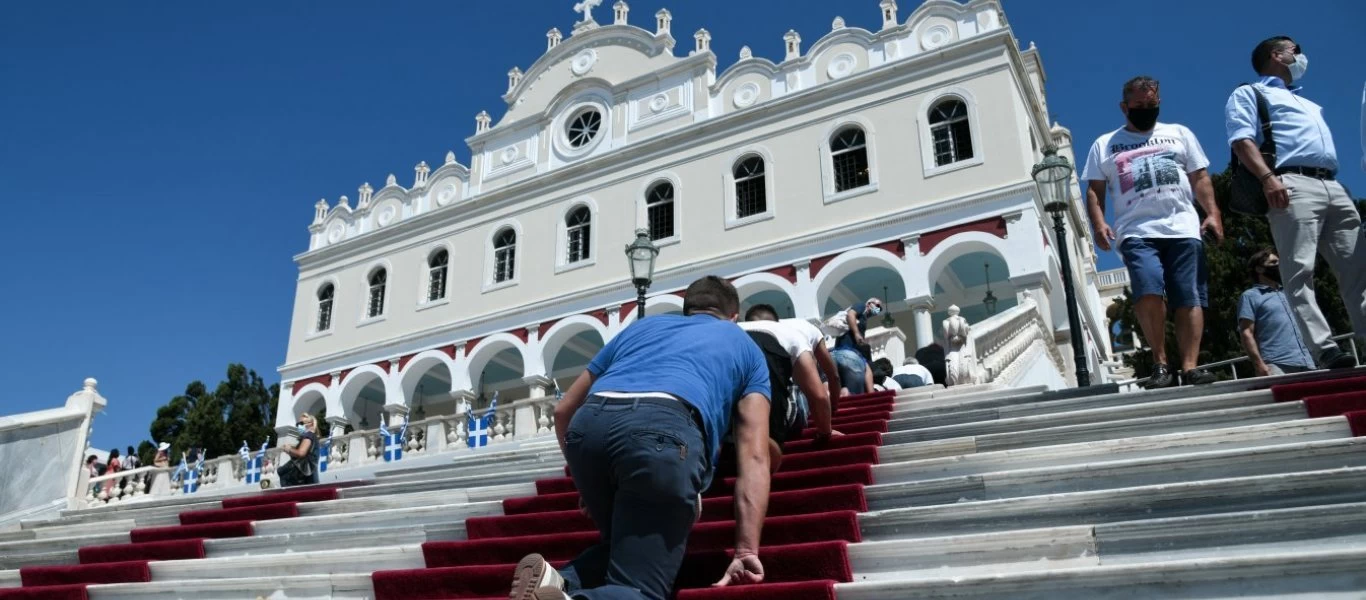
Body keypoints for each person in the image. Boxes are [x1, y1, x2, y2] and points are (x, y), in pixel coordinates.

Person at [513, 276, 771, 600]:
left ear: (687, 309)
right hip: (664, 430)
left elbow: (564, 409)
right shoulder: (744, 344)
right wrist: (746, 548)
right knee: (640, 591)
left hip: (589, 424)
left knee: (629, 544)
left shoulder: (640, 328)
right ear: (734, 316)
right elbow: (756, 456)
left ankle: (559, 581)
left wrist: (587, 478)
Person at [1227, 37, 1366, 370]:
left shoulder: (1307, 102)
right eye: (1295, 50)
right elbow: (1241, 139)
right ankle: (1325, 348)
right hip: (1291, 184)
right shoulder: (1251, 93)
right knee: (1298, 270)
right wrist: (1267, 178)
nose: (1301, 56)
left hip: (1332, 184)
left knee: (1358, 271)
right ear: (1277, 55)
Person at [1084, 75, 1222, 388]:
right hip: (1136, 230)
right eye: (1139, 105)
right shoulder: (1104, 144)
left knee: (1189, 296)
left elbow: (1199, 177)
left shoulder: (1179, 134)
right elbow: (1094, 190)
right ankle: (1160, 363)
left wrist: (1213, 213)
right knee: (1148, 290)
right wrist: (1098, 222)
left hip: (1182, 225)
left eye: (1152, 105)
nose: (1146, 109)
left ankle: (1189, 367)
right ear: (1124, 106)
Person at [739, 303, 841, 470]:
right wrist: (825, 432)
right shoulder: (791, 333)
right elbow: (820, 394)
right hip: (776, 409)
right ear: (777, 322)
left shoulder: (732, 330)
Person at [1238, 249, 1318, 377]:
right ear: (1259, 269)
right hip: (1276, 365)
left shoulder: (1289, 292)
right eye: (1274, 262)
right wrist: (1258, 364)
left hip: (1307, 362)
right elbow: (1246, 332)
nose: (1279, 266)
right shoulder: (1250, 296)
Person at [830, 298, 882, 395]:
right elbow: (850, 314)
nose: (878, 310)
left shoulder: (863, 318)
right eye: (878, 306)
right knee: (867, 368)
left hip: (838, 353)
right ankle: (872, 396)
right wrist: (857, 333)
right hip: (847, 351)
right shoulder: (861, 306)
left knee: (845, 388)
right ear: (869, 304)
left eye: (880, 309)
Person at [279, 413, 320, 487]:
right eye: (297, 424)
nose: (299, 426)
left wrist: (288, 449)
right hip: (309, 477)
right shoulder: (311, 437)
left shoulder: (308, 435)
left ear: (310, 424)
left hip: (304, 478)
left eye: (301, 423)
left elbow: (301, 453)